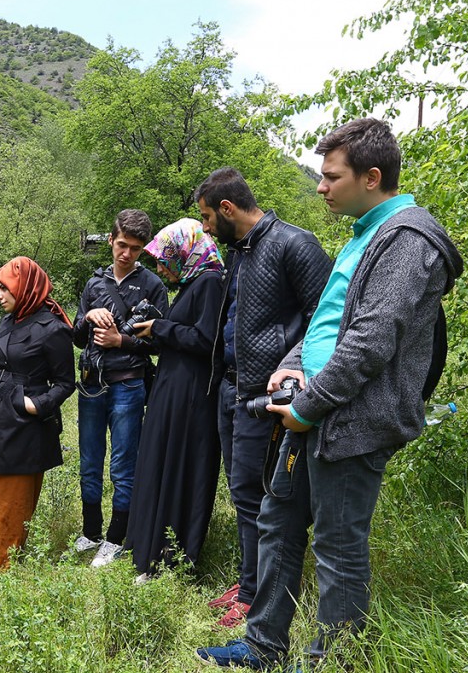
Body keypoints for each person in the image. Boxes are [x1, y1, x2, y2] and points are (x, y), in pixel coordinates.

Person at [197, 118, 462, 673]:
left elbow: (370, 342)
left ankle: (332, 669)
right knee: (278, 522)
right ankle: (264, 647)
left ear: (371, 176)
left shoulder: (409, 240)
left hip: (351, 420)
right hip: (314, 412)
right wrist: (292, 366)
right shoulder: (364, 233)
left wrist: (307, 405)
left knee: (339, 549)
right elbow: (326, 322)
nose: (320, 186)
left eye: (330, 176)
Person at [194, 168, 332, 627]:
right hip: (232, 389)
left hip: (266, 394)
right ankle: (248, 583)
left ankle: (255, 598)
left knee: (258, 496)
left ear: (229, 209)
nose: (207, 228)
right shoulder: (239, 252)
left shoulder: (296, 244)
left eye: (209, 218)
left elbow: (325, 319)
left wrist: (291, 364)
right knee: (240, 491)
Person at [125, 219, 226, 584]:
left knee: (179, 469)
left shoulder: (211, 282)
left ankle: (169, 560)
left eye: (164, 259)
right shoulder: (191, 283)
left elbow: (208, 341)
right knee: (159, 464)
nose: (160, 268)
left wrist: (161, 328)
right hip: (172, 388)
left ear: (185, 253)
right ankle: (147, 550)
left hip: (191, 395)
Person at [0, 256, 75, 569]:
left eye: (5, 289)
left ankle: (1, 562)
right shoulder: (9, 319)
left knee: (12, 496)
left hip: (23, 423)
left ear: (24, 288)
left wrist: (36, 404)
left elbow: (66, 383)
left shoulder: (53, 329)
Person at [73, 209, 169, 567]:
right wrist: (87, 318)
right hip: (91, 385)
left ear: (143, 249)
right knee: (89, 460)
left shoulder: (153, 287)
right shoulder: (94, 284)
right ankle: (91, 531)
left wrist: (121, 341)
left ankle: (116, 538)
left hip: (129, 384)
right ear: (110, 240)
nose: (126, 253)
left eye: (135, 248)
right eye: (121, 245)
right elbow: (78, 340)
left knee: (123, 464)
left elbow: (159, 343)